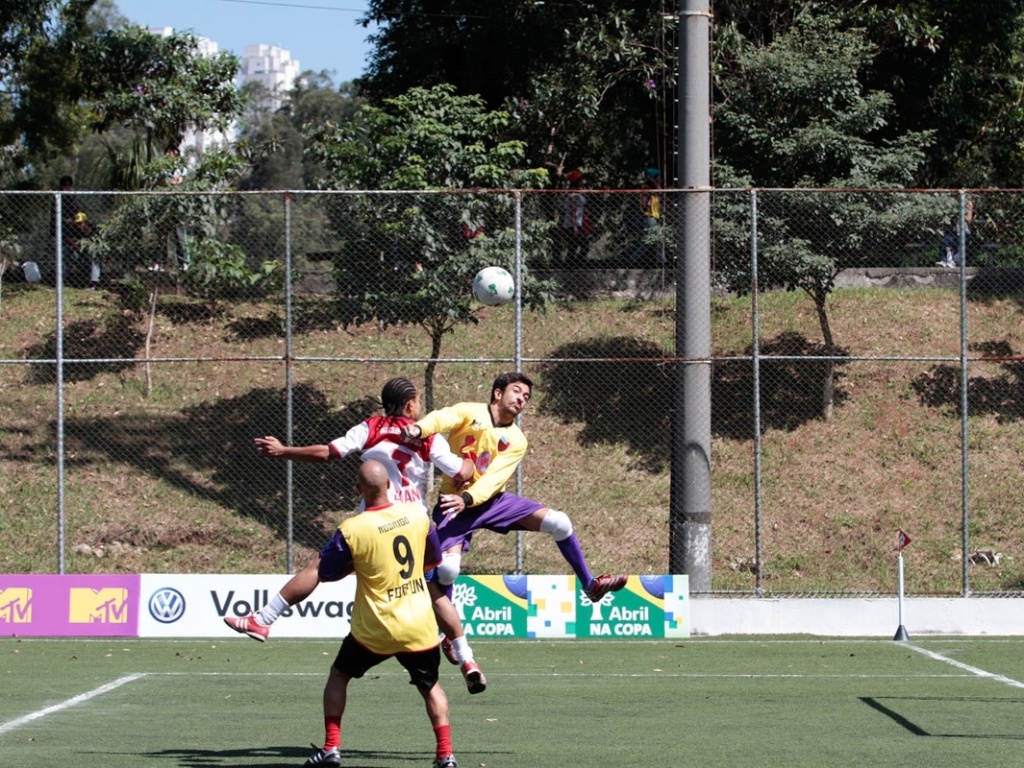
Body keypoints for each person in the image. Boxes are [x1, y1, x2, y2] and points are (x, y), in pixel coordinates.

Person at [224, 377, 487, 694]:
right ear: (409, 405)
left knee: (317, 568)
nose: (420, 407)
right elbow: (460, 473)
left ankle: (264, 618)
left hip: (373, 524)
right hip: (414, 523)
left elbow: (328, 452)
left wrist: (284, 451)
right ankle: (465, 656)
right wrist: (472, 462)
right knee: (433, 589)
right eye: (417, 401)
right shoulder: (428, 435)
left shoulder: (371, 427)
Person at [400, 371, 628, 605]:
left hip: (491, 502)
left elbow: (494, 479)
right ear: (498, 393)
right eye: (517, 391)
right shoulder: (471, 412)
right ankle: (443, 631)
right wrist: (420, 428)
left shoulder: (517, 440)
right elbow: (442, 417)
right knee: (448, 570)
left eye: (527, 396)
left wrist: (468, 498)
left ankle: (590, 586)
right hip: (454, 503)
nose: (522, 399)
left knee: (560, 523)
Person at [302, 459, 458, 768]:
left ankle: (331, 747)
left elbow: (327, 572)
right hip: (418, 624)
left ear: (359, 490)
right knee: (431, 688)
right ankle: (445, 755)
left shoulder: (352, 528)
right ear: (390, 485)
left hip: (375, 628)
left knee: (339, 676)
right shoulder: (417, 516)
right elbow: (432, 562)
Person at [56, 175, 100, 288]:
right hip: (71, 241)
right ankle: (62, 282)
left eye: (81, 223)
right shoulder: (59, 199)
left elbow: (94, 240)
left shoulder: (92, 227)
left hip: (83, 245)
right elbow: (66, 233)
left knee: (91, 258)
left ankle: (92, 282)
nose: (80, 226)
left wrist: (83, 244)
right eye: (65, 186)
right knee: (67, 257)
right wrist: (74, 242)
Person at [163, 143, 190, 271]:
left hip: (178, 204)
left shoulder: (181, 168)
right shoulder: (162, 168)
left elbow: (178, 182)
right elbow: (163, 181)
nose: (170, 155)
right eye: (168, 153)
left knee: (179, 235)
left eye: (173, 153)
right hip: (164, 204)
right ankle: (162, 263)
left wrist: (171, 182)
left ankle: (184, 262)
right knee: (162, 235)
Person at [628, 167, 663, 267]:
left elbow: (660, 192)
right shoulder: (647, 189)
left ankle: (632, 259)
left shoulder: (654, 188)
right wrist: (654, 183)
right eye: (658, 177)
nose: (660, 179)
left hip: (654, 218)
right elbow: (645, 203)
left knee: (647, 242)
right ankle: (662, 262)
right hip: (649, 218)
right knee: (657, 240)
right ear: (653, 178)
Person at [936, 185, 974, 268]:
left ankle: (955, 262)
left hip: (964, 230)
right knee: (946, 241)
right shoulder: (953, 203)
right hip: (954, 230)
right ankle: (944, 260)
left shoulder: (968, 204)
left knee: (961, 246)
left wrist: (961, 213)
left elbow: (969, 220)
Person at [557, 169, 589, 268]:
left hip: (574, 224)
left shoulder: (576, 193)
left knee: (573, 246)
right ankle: (575, 264)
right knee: (584, 246)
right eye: (582, 180)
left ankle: (570, 265)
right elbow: (573, 211)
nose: (584, 182)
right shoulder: (574, 195)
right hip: (573, 225)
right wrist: (575, 226)